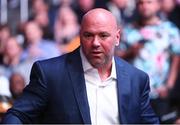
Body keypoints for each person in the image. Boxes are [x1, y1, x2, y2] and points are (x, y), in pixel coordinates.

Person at [2, 8, 159, 124]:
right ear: (80, 36)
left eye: (103, 35)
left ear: (117, 37)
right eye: (88, 35)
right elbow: (18, 115)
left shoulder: (136, 79)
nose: (95, 43)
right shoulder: (50, 73)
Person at [115, 0, 180, 123]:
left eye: (149, 2)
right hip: (134, 94)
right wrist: (130, 52)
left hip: (159, 93)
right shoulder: (128, 30)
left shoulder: (169, 29)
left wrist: (169, 85)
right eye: (140, 3)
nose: (144, 6)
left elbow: (177, 56)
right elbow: (115, 59)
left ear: (157, 4)